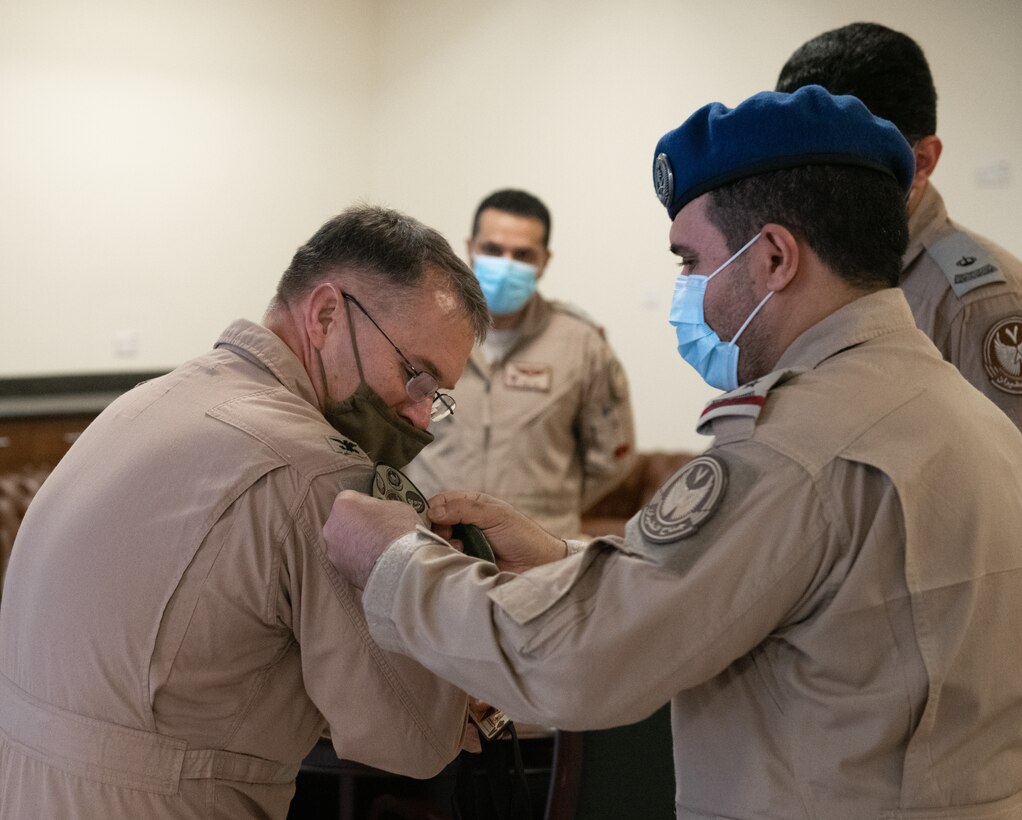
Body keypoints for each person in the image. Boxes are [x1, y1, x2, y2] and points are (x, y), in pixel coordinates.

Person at [321, 87, 1022, 819]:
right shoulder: (963, 412)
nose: (685, 291)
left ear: (776, 256)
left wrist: (393, 564)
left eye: (691, 261)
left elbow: (581, 659)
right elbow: (779, 587)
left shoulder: (794, 447)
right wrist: (567, 559)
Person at [0, 206, 491, 819]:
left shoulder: (150, 401)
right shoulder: (318, 472)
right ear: (326, 314)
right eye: (415, 376)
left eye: (435, 399)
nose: (420, 416)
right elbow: (414, 735)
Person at [776, 22, 1022, 431]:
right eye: (797, 160)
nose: (811, 186)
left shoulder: (980, 306)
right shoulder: (797, 266)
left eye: (844, 163)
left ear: (922, 161)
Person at [405, 188, 636, 539]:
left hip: (542, 554)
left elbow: (613, 458)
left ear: (544, 261)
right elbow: (390, 432)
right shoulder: (422, 331)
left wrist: (545, 507)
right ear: (470, 249)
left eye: (523, 255)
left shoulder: (581, 344)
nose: (507, 264)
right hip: (435, 544)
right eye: (494, 250)